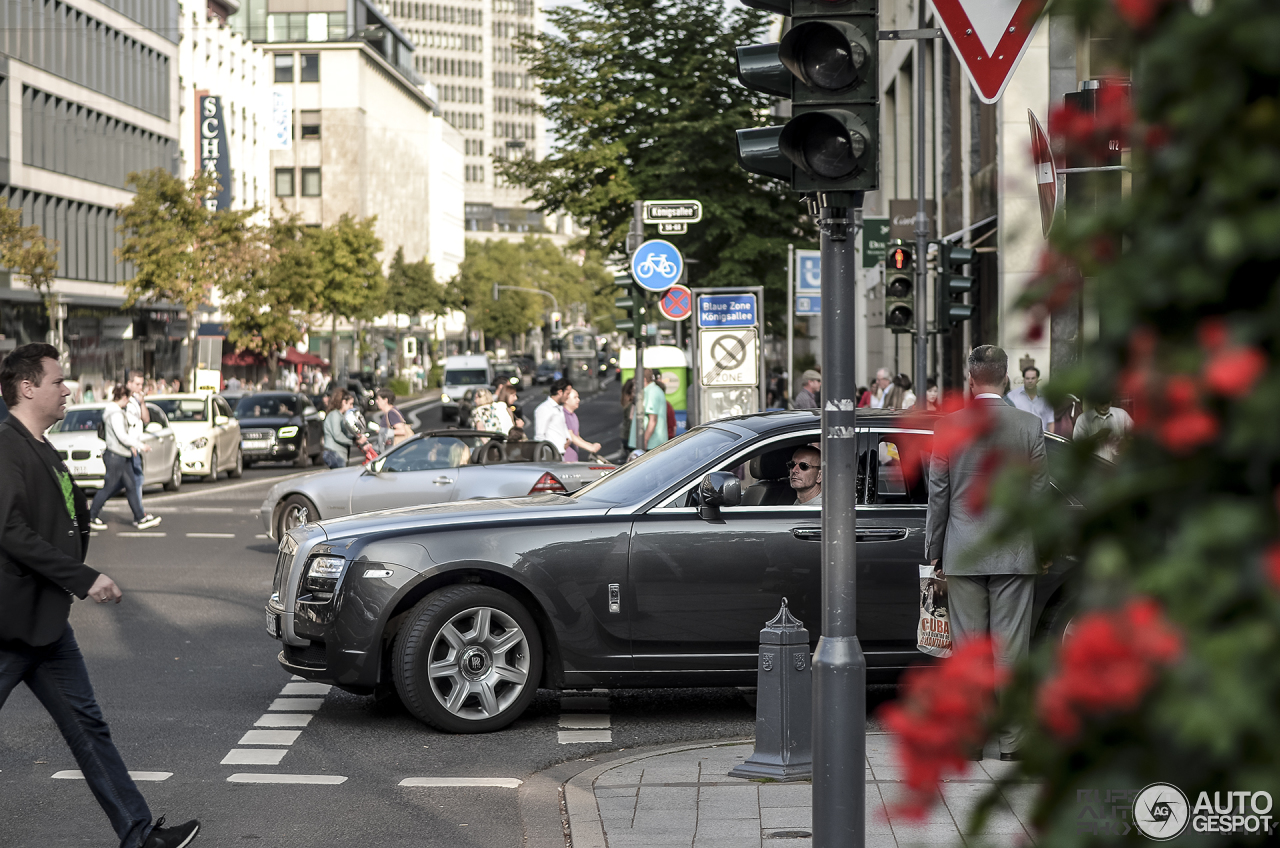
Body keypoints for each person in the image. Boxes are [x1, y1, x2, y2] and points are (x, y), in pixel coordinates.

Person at [0, 344, 199, 848]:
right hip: (9, 622)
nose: (68, 389)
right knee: (88, 725)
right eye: (58, 381)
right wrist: (82, 576)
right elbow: (10, 531)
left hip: (44, 621)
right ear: (27, 387)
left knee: (88, 726)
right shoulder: (5, 445)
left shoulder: (39, 443)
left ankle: (138, 835)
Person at [925, 345, 1048, 762]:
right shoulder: (1030, 425)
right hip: (1015, 551)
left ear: (971, 379)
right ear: (1007, 377)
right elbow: (1039, 494)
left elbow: (937, 496)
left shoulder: (948, 427)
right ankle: (1013, 742)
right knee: (1012, 648)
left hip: (962, 549)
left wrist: (933, 549)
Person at [88, 387, 161, 531]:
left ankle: (140, 517)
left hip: (122, 454)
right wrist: (139, 445)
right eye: (127, 398)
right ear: (123, 397)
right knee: (109, 487)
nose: (128, 402)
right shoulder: (115, 414)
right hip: (116, 455)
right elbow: (122, 436)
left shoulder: (113, 411)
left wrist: (131, 447)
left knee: (131, 486)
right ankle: (91, 516)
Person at [321, 388, 366, 469]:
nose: (351, 407)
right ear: (343, 402)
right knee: (339, 479)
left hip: (338, 454)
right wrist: (354, 441)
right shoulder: (334, 415)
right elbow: (337, 435)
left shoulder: (341, 416)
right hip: (334, 453)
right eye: (350, 404)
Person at [629, 369, 668, 453]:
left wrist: (645, 440)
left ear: (644, 379)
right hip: (651, 443)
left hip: (651, 444)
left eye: (635, 378)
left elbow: (653, 420)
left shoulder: (651, 392)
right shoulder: (650, 391)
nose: (633, 380)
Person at [124, 370, 150, 495]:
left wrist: (142, 403)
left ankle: (139, 512)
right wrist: (131, 444)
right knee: (135, 478)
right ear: (129, 383)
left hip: (136, 446)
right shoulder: (124, 399)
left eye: (141, 385)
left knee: (137, 478)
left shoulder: (137, 400)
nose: (140, 388)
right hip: (128, 446)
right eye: (137, 384)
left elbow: (146, 419)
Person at [1008, 366, 1054, 432]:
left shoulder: (1045, 397)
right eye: (1027, 378)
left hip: (1041, 436)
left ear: (1037, 379)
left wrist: (1051, 441)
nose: (1030, 381)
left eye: (1033, 378)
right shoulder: (1013, 396)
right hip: (1021, 436)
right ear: (1023, 379)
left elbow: (1050, 421)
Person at [562, 387, 601, 461]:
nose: (578, 400)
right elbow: (571, 436)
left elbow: (577, 436)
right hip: (565, 460)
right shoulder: (564, 415)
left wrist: (591, 445)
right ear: (566, 400)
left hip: (573, 459)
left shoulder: (573, 415)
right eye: (575, 397)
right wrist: (590, 448)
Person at [534, 377, 572, 452]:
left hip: (560, 453)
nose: (568, 397)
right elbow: (539, 436)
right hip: (551, 457)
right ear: (560, 392)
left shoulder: (559, 408)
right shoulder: (544, 408)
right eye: (567, 394)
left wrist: (568, 438)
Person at [619, 377, 636, 453]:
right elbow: (631, 419)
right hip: (629, 436)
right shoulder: (631, 405)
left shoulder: (625, 401)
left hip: (625, 435)